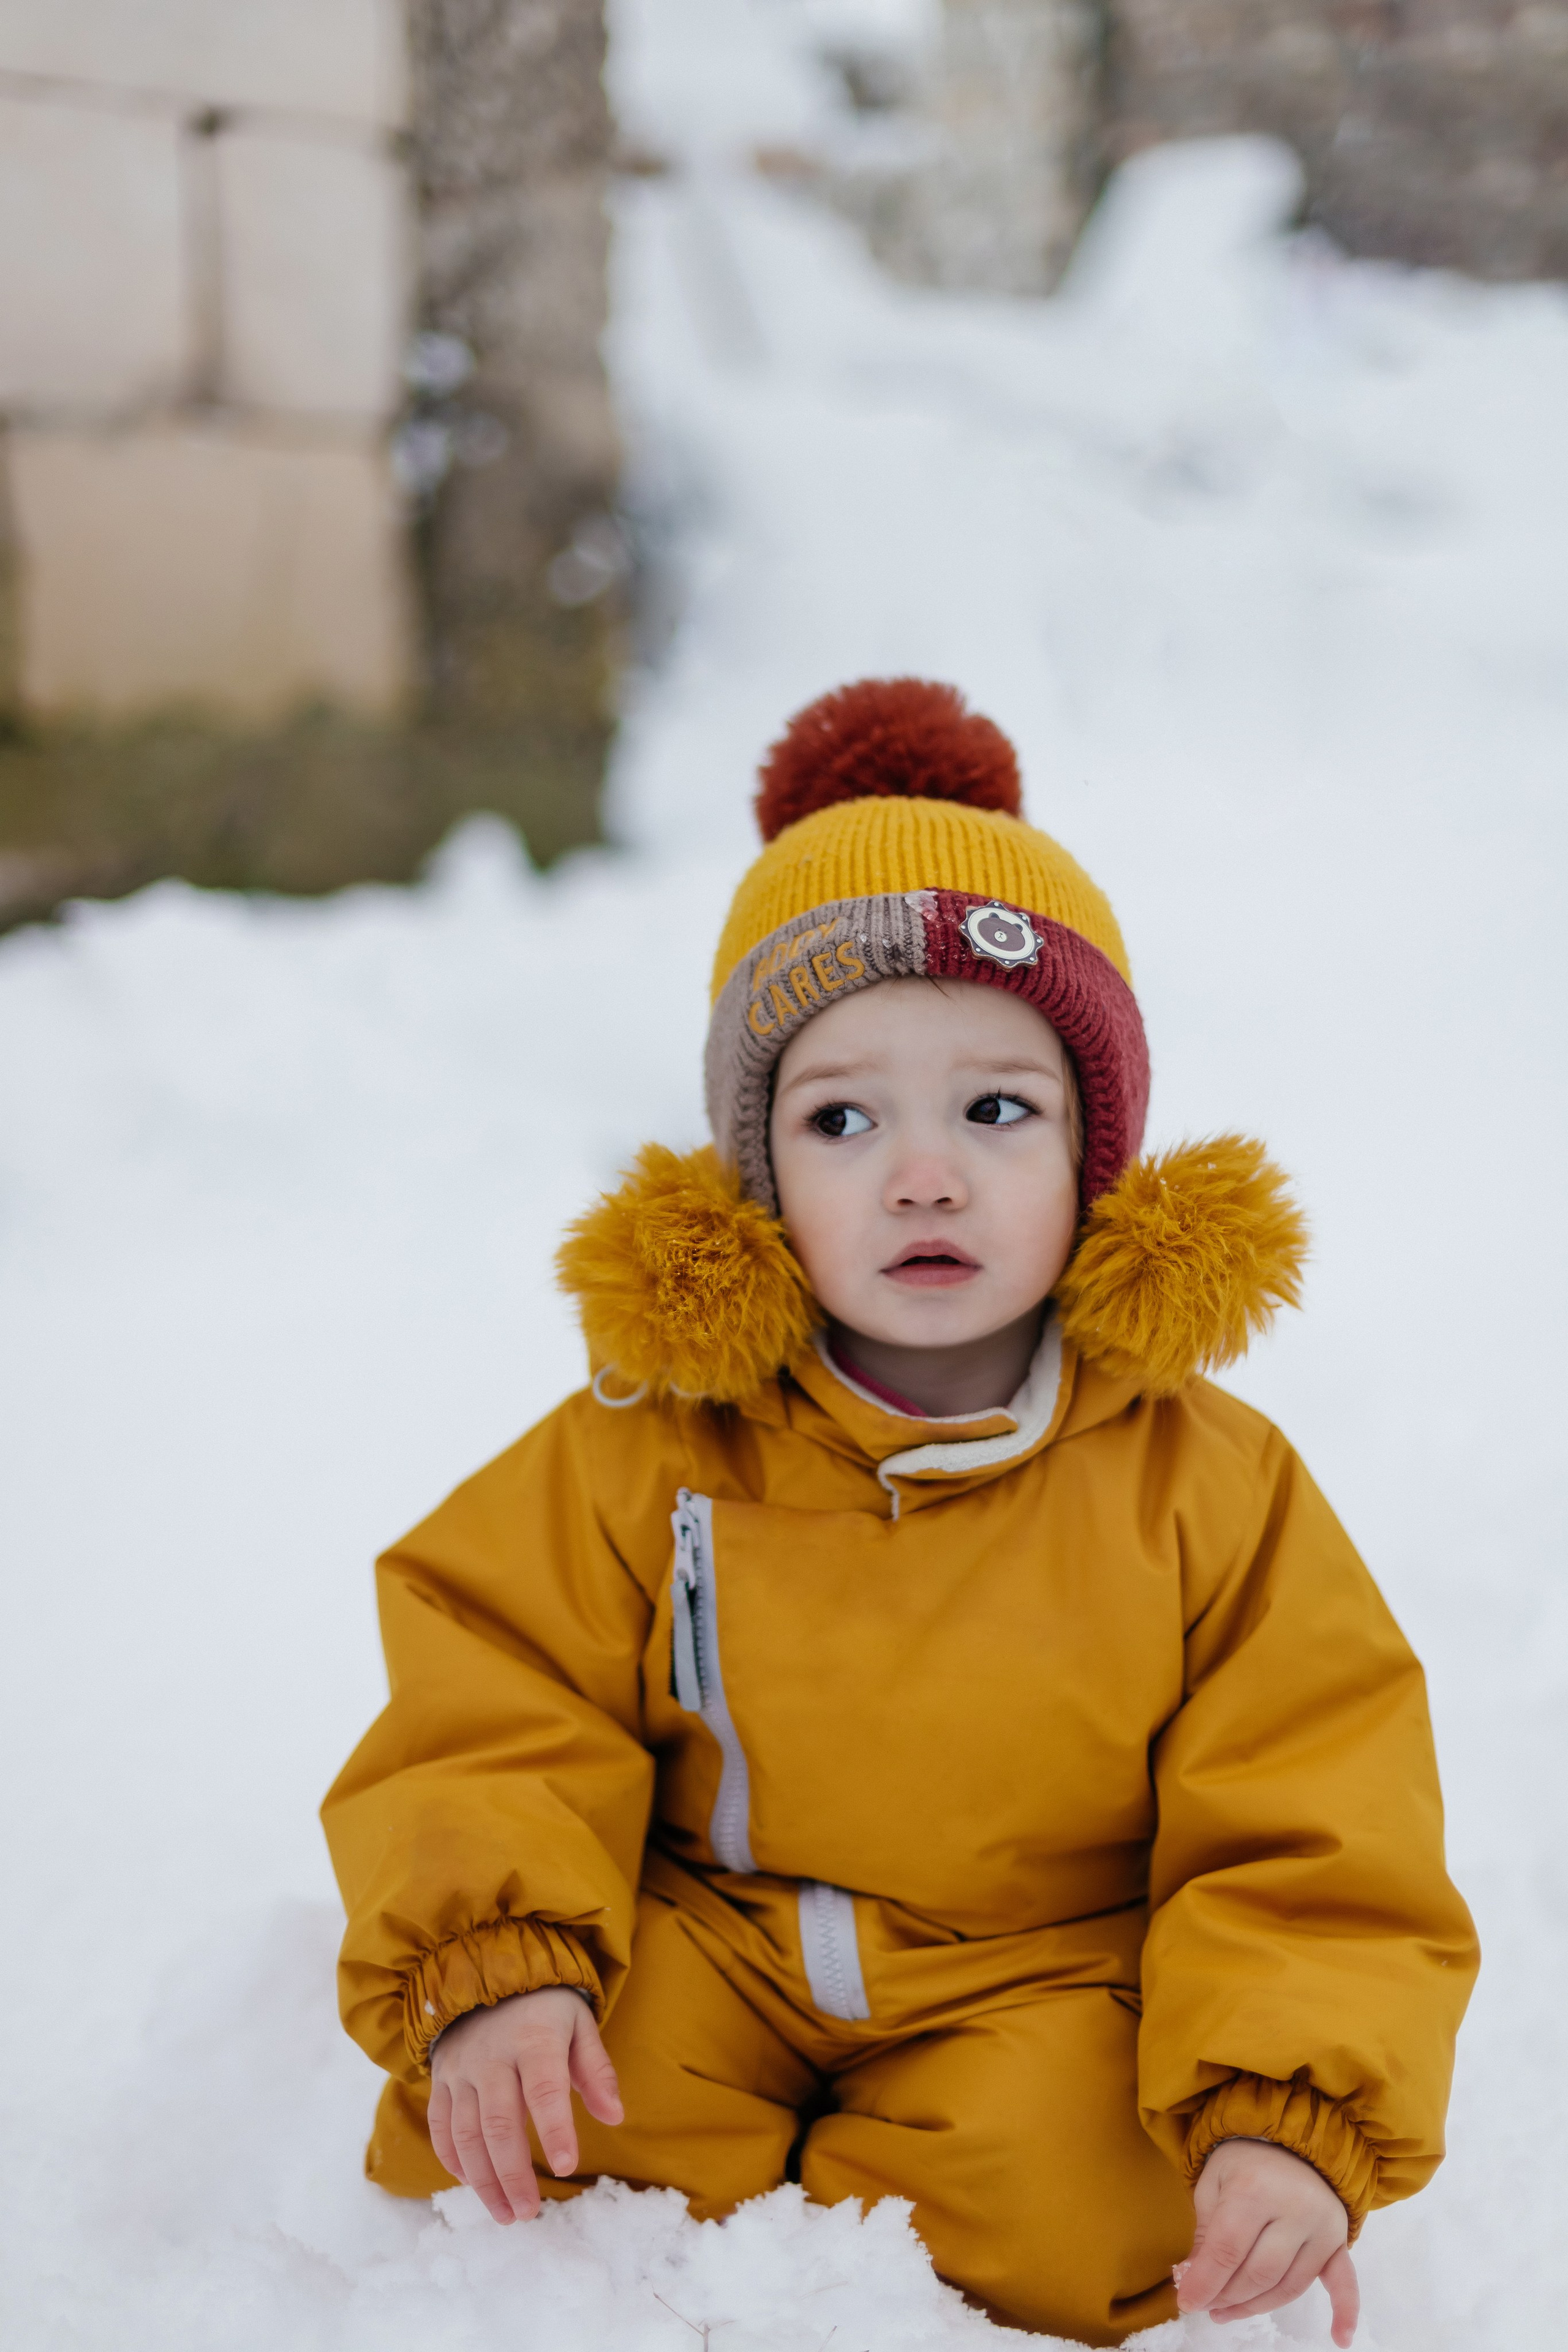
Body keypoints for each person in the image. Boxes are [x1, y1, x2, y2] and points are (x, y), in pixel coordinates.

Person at [323, 678, 1477, 2346]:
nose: (921, 1175)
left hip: (1047, 1980)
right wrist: (505, 1960)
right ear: (755, 1167)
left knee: (1109, 2211)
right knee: (529, 2125)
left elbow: (1317, 1811)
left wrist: (1278, 2110)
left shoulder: (1204, 1484)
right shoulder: (647, 1447)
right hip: (709, 1946)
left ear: (1097, 1151)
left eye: (996, 1109)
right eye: (842, 1117)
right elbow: (490, 1699)